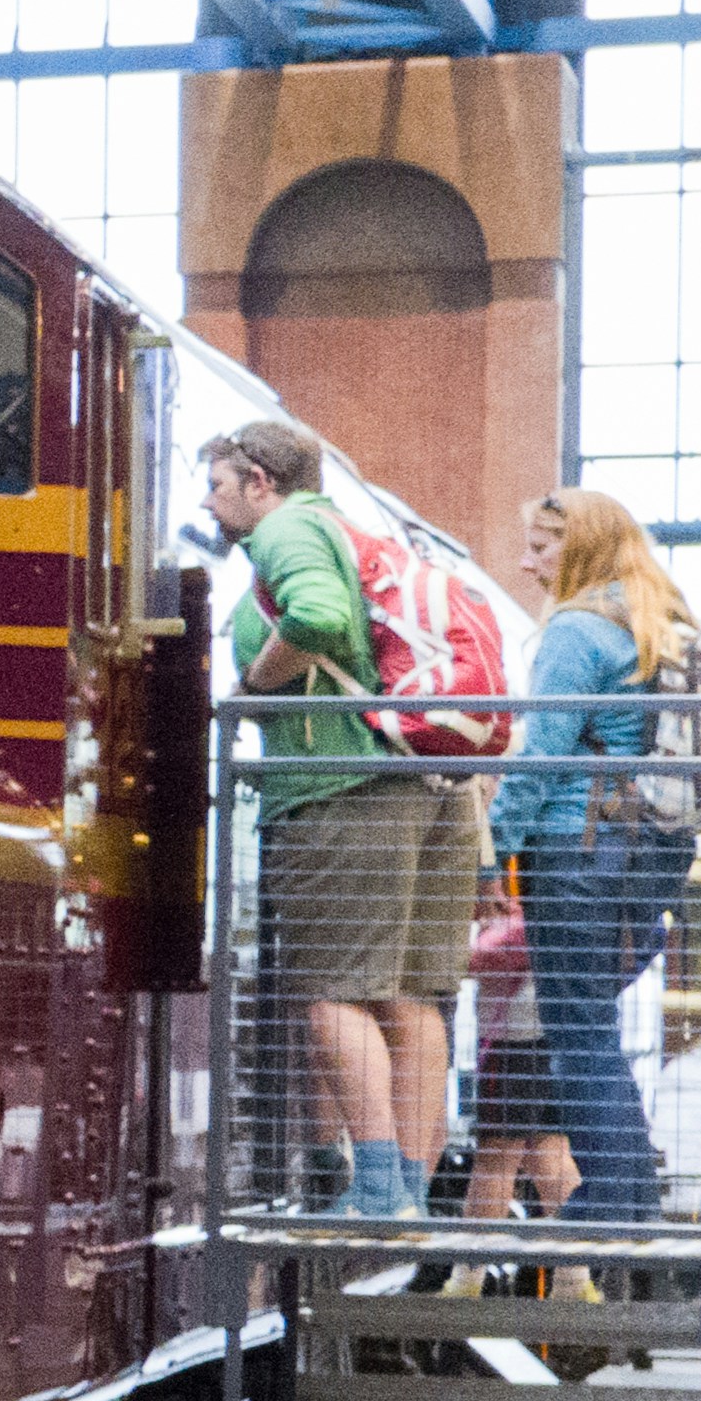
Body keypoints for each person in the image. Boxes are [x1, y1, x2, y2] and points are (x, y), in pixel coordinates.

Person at [205, 417, 473, 1213]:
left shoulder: (288, 529)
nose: (209, 504)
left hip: (341, 790)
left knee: (331, 991)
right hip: (425, 787)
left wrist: (249, 688)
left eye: (217, 486)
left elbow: (317, 616)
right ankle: (410, 1194)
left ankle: (380, 1190)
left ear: (260, 481)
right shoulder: (356, 535)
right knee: (410, 997)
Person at [485, 490, 701, 1223]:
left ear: (582, 547)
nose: (527, 563)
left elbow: (544, 753)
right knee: (591, 1024)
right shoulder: (662, 624)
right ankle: (625, 1191)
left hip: (579, 846)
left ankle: (617, 1196)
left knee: (578, 1029)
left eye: (541, 547)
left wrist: (494, 849)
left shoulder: (577, 629)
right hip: (652, 851)